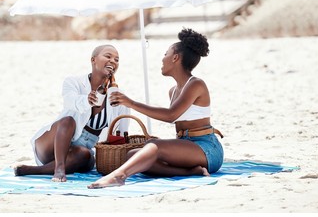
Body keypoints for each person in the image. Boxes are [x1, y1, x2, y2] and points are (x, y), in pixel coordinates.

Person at [88, 28, 224, 189]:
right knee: (133, 155)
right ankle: (191, 172)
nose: (162, 59)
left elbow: (171, 116)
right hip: (187, 144)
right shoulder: (173, 91)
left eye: (165, 54)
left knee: (154, 146)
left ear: (175, 58)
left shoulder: (196, 84)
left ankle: (119, 176)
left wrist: (130, 103)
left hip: (206, 148)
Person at [14, 44, 130, 182]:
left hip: (77, 153)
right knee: (68, 121)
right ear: (93, 60)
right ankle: (59, 169)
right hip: (53, 143)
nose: (113, 61)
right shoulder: (74, 82)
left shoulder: (118, 96)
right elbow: (70, 102)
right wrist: (87, 100)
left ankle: (30, 170)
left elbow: (121, 131)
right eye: (108, 56)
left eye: (117, 59)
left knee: (87, 156)